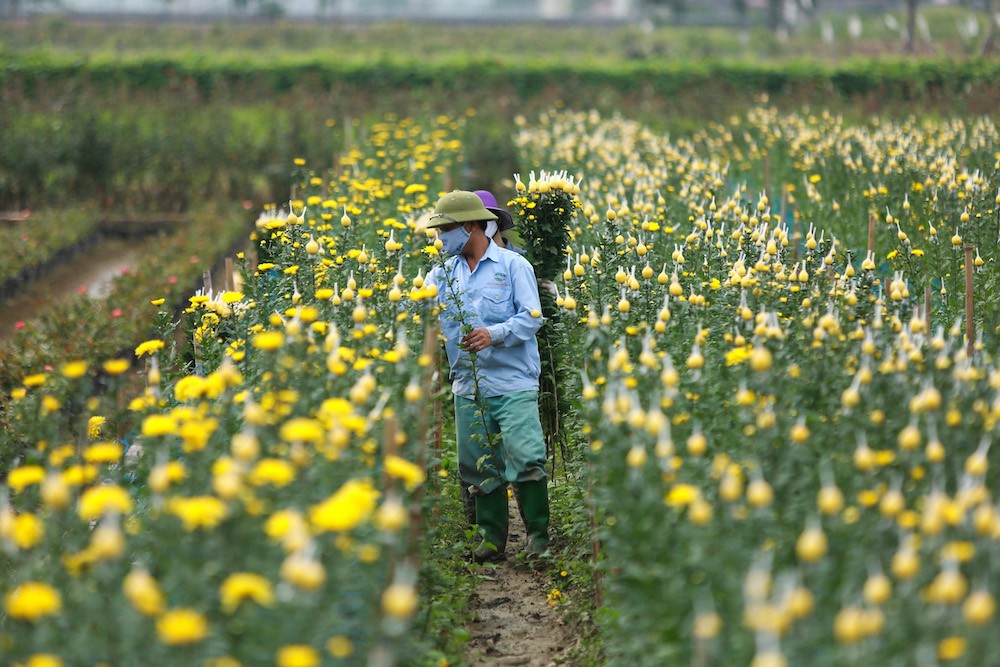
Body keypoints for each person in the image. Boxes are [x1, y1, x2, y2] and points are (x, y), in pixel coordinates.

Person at [425, 190, 550, 562]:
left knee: (526, 458)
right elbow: (422, 318)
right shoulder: (441, 274)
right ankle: (491, 541)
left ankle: (539, 539)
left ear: (469, 225)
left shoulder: (513, 267)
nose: (440, 238)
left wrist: (493, 334)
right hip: (468, 385)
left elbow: (532, 317)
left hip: (513, 382)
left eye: (445, 229)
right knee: (478, 466)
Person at [473, 189, 526, 256]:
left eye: (484, 218)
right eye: (472, 222)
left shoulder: (521, 258)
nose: (479, 225)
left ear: (498, 219)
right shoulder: (462, 262)